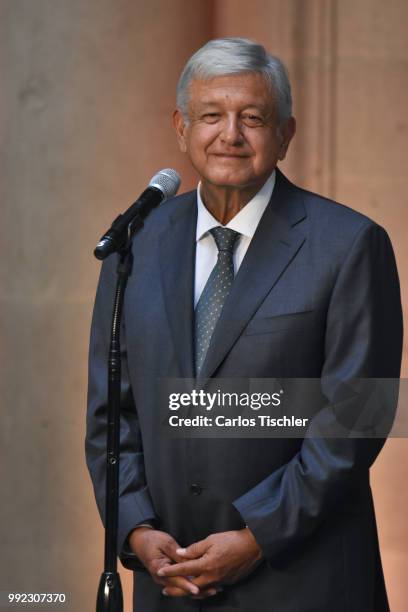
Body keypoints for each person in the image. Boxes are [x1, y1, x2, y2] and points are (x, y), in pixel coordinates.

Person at [86, 38, 403, 611]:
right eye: (211, 116)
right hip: (171, 582)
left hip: (304, 581)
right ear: (182, 128)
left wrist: (258, 536)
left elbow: (360, 415)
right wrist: (135, 528)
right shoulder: (135, 245)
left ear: (286, 134)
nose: (230, 134)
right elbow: (113, 413)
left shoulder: (351, 244)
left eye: (252, 117)